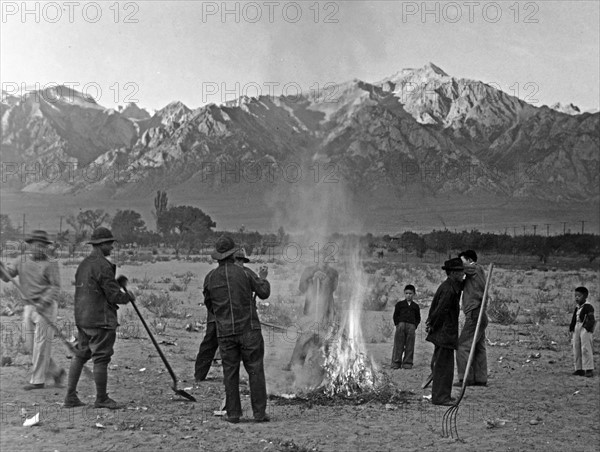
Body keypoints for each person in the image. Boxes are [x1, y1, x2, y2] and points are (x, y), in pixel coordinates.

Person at [63, 227, 135, 409]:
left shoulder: (85, 264)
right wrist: (128, 296)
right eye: (109, 243)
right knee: (101, 357)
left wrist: (116, 283)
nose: (111, 247)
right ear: (101, 244)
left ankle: (70, 397)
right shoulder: (103, 265)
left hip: (83, 318)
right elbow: (113, 296)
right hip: (99, 319)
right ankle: (101, 398)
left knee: (80, 355)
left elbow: (95, 286)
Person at [203, 236, 271, 423]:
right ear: (233, 254)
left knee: (230, 373)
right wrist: (263, 280)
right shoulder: (245, 273)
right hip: (249, 329)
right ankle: (259, 413)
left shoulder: (210, 278)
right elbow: (263, 293)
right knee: (255, 370)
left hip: (225, 332)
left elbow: (210, 306)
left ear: (218, 257)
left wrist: (223, 316)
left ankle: (233, 414)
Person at [0, 230, 65, 390]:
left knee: (41, 344)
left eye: (43, 246)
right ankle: (56, 372)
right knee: (31, 346)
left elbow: (55, 286)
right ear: (30, 245)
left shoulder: (50, 262)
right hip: (29, 305)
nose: (40, 248)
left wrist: (44, 301)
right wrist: (1, 268)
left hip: (46, 307)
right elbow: (7, 277)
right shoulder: (20, 260)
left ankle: (37, 381)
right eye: (37, 245)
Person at [193, 248, 251, 383]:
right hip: (217, 316)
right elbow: (208, 297)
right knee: (210, 343)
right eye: (238, 260)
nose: (240, 264)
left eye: (242, 261)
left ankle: (234, 378)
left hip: (236, 318)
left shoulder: (245, 274)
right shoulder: (213, 275)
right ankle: (199, 375)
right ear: (231, 260)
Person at [284, 255, 339, 370]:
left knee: (326, 338)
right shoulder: (308, 271)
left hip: (326, 310)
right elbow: (302, 288)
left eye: (327, 258)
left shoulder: (333, 273)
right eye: (322, 258)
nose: (325, 261)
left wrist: (325, 281)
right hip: (311, 310)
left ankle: (326, 367)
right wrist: (312, 279)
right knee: (304, 337)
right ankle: (295, 365)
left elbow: (332, 289)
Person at [425, 258, 464, 406]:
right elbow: (440, 311)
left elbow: (465, 283)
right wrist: (432, 325)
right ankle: (440, 398)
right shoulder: (448, 290)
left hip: (444, 333)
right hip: (444, 333)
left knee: (444, 366)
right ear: (453, 273)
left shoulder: (452, 285)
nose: (463, 274)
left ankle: (443, 395)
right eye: (460, 272)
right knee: (443, 367)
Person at [455, 250, 488, 387]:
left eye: (462, 260)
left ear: (469, 260)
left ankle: (465, 378)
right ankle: (480, 378)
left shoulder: (474, 268)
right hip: (479, 313)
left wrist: (453, 266)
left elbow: (460, 268)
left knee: (462, 346)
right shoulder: (474, 274)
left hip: (475, 313)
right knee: (479, 346)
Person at [391, 284, 421, 370]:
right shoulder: (400, 304)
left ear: (414, 294)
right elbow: (395, 315)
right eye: (406, 293)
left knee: (410, 345)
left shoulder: (415, 306)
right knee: (398, 344)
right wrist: (397, 324)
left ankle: (407, 363)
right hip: (400, 326)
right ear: (404, 294)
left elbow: (418, 317)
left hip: (411, 327)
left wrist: (414, 326)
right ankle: (396, 363)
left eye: (410, 293)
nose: (408, 295)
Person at [569, 286, 595, 378]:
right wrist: (571, 327)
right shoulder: (577, 307)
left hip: (584, 327)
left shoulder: (588, 307)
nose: (576, 298)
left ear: (585, 296)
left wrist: (587, 329)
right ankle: (579, 368)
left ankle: (589, 369)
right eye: (575, 296)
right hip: (577, 327)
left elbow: (591, 319)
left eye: (579, 296)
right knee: (576, 347)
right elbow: (574, 318)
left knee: (585, 348)